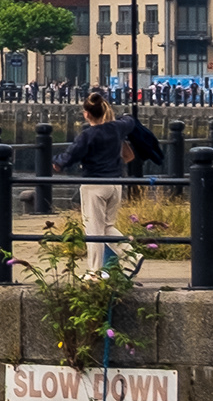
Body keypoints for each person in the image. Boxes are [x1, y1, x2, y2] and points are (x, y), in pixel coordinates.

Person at [60, 88, 165, 267]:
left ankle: (94, 272)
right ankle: (131, 255)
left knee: (93, 230)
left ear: (86, 115)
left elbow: (72, 154)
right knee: (107, 226)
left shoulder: (88, 135)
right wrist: (120, 117)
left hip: (94, 184)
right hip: (116, 183)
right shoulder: (117, 128)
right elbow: (130, 121)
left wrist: (57, 162)